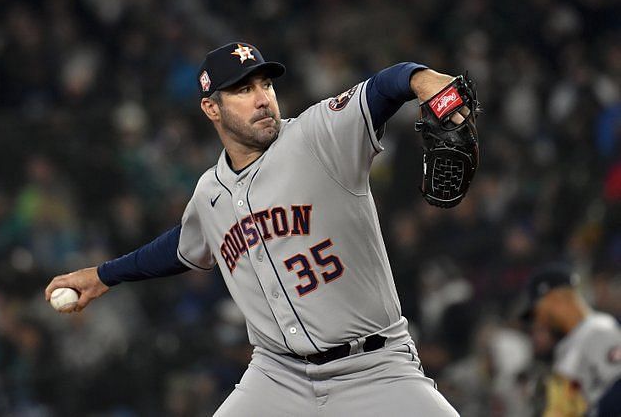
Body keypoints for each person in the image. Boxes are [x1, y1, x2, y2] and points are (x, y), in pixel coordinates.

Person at [45, 41, 464, 416]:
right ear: (212, 107)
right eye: (244, 90)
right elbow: (181, 246)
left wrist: (423, 81)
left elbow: (386, 85)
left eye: (266, 85)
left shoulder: (318, 136)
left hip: (375, 369)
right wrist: (102, 276)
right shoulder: (210, 191)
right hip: (278, 377)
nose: (262, 99)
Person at [521, 268, 621, 417]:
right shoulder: (570, 343)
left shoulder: (599, 331)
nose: (539, 321)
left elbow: (618, 383)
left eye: (539, 310)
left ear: (558, 299)